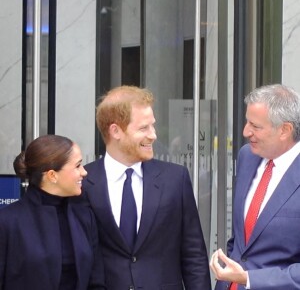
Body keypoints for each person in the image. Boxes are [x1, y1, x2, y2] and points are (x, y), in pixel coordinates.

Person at [82, 85, 211, 289]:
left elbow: (194, 255)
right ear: (115, 131)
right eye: (143, 128)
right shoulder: (84, 182)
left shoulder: (175, 179)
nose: (153, 135)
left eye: (153, 126)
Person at [210, 84, 300, 289]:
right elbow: (242, 240)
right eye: (246, 122)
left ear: (285, 130)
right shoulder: (247, 156)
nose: (245, 132)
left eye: (255, 126)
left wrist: (249, 279)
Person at [0, 134, 106, 290]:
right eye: (77, 166)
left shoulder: (84, 217)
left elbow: (96, 281)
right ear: (52, 175)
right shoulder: (7, 222)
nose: (84, 172)